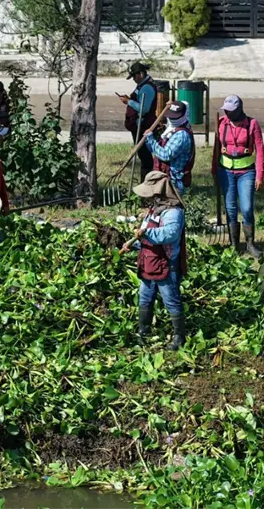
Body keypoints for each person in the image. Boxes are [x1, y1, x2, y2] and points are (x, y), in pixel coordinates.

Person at [120, 171, 188, 350]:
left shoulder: (174, 212)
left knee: (170, 299)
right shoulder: (154, 211)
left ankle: (179, 337)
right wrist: (133, 245)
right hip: (149, 262)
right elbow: (143, 236)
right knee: (145, 296)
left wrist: (146, 233)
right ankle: (144, 331)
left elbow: (169, 235)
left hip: (166, 264)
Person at [212, 95, 264, 259]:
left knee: (247, 208)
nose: (227, 113)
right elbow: (216, 148)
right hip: (225, 172)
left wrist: (260, 175)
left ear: (239, 110)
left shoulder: (252, 124)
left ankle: (250, 243)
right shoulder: (222, 123)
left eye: (230, 110)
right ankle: (234, 244)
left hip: (246, 172)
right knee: (230, 209)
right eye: (226, 110)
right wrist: (214, 170)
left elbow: (260, 150)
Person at [144, 101, 195, 195]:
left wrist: (151, 140)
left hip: (174, 181)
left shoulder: (181, 135)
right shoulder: (171, 129)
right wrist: (149, 141)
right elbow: (156, 150)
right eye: (170, 116)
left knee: (171, 206)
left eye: (174, 116)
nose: (172, 119)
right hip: (165, 177)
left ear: (183, 115)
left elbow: (166, 155)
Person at [118, 62, 157, 182]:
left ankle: (147, 182)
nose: (134, 79)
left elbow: (144, 109)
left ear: (141, 73)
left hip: (143, 125)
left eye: (135, 76)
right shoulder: (142, 85)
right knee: (142, 155)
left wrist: (128, 101)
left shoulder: (147, 88)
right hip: (137, 125)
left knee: (145, 157)